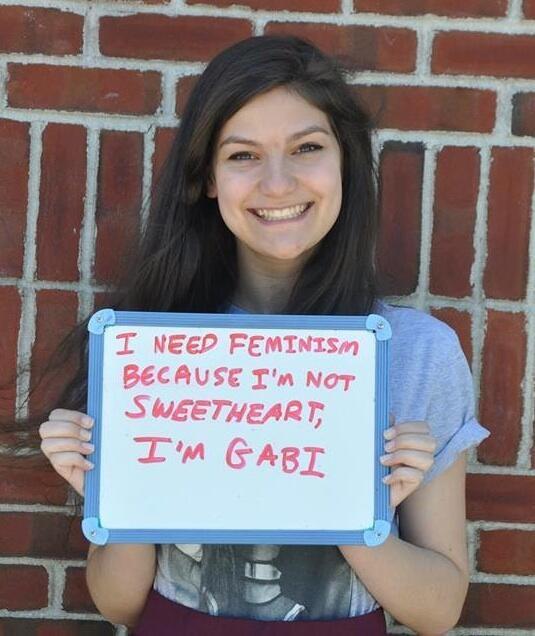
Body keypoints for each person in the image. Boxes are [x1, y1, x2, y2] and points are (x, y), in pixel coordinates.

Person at [38, 35, 489, 634]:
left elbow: (438, 611)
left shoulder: (415, 352)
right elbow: (120, 603)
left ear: (346, 163)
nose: (277, 184)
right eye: (243, 155)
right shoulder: (147, 352)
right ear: (207, 178)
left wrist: (351, 503)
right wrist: (117, 489)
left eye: (306, 147)